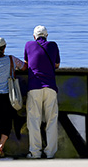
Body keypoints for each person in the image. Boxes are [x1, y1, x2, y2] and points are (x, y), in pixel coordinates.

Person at [23, 25, 61, 159]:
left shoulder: (29, 45)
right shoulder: (53, 45)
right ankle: (50, 153)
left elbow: (26, 63)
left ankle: (35, 153)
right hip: (50, 87)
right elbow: (56, 65)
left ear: (34, 36)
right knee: (51, 120)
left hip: (34, 87)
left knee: (33, 121)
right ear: (46, 36)